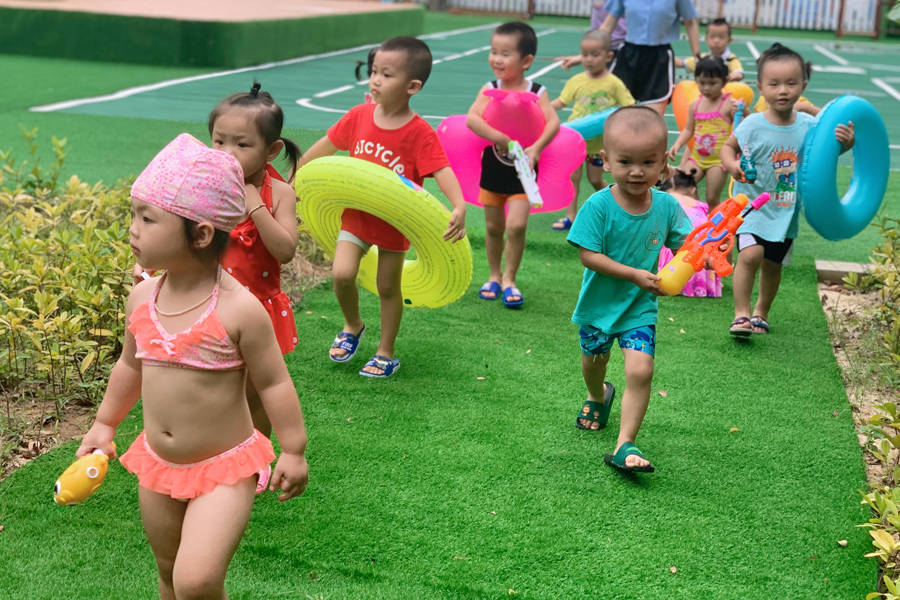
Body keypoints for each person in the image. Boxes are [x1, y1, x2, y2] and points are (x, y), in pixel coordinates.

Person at [76, 133, 309, 599]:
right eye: (133, 215)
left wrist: (293, 449)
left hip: (224, 468)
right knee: (167, 572)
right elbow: (128, 367)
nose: (133, 229)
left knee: (197, 580)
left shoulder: (238, 310)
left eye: (148, 218)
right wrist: (104, 424)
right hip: (157, 465)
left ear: (202, 234)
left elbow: (274, 383)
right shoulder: (143, 297)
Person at [299, 36, 466, 377]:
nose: (375, 80)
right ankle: (352, 325)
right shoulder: (358, 116)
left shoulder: (419, 133)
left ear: (412, 86)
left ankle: (385, 351)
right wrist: (295, 179)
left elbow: (441, 170)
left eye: (386, 75)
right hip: (357, 216)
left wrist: (459, 204)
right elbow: (324, 148)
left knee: (388, 287)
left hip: (395, 221)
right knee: (342, 273)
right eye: (374, 71)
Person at [567, 106, 691, 474]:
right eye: (625, 161)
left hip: (640, 308)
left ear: (664, 163)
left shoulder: (667, 206)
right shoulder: (599, 206)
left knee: (641, 370)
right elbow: (588, 256)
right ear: (605, 161)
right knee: (593, 362)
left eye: (648, 162)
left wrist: (705, 252)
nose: (637, 171)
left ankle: (625, 443)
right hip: (598, 306)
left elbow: (689, 246)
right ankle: (596, 394)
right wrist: (635, 274)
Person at [721, 43, 854, 336]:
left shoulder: (810, 125)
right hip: (751, 204)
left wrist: (846, 144)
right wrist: (731, 165)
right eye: (774, 84)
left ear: (803, 85)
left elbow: (824, 158)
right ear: (760, 87)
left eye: (791, 83)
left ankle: (761, 312)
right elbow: (728, 149)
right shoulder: (752, 125)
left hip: (785, 209)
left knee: (772, 264)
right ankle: (741, 313)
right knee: (750, 255)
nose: (783, 90)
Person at [207, 83, 301, 451]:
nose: (228, 153)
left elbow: (285, 250)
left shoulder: (280, 194)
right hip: (212, 305)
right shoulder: (207, 186)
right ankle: (217, 449)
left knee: (256, 389)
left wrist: (254, 205)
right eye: (219, 141)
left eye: (242, 145)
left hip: (258, 308)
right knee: (217, 387)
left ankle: (257, 454)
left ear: (272, 150)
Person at [466, 21, 560, 308]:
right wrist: (501, 138)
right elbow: (473, 118)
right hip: (493, 165)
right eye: (494, 51)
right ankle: (493, 275)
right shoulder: (489, 87)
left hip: (524, 167)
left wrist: (535, 149)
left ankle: (510, 278)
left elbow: (553, 122)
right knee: (494, 227)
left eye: (505, 53)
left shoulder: (537, 90)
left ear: (526, 61)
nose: (497, 58)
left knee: (516, 226)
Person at [550, 29, 635, 231]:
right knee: (572, 178)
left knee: (595, 179)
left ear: (608, 56)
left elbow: (629, 105)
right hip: (576, 141)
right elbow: (562, 102)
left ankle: (617, 207)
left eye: (595, 55)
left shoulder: (613, 83)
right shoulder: (577, 81)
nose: (589, 59)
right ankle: (571, 217)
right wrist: (541, 108)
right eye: (585, 54)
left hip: (600, 144)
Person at [666, 55, 746, 211]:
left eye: (712, 83)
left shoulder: (729, 104)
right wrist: (677, 144)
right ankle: (694, 220)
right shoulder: (695, 105)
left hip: (718, 162)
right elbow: (689, 129)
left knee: (712, 198)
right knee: (682, 189)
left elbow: (743, 127)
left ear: (724, 81)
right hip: (696, 158)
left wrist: (742, 112)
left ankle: (715, 230)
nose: (707, 88)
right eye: (702, 83)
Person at [598, 0, 700, 115]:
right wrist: (591, 53)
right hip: (628, 57)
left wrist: (697, 57)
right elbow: (607, 25)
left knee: (652, 118)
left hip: (659, 60)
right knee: (617, 114)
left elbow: (690, 22)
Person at [656, 167, 722, 297]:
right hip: (702, 260)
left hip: (674, 262)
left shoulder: (666, 201)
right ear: (693, 190)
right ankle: (705, 285)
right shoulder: (702, 206)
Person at [676, 18, 744, 82]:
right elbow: (681, 63)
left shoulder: (731, 59)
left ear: (729, 40)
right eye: (712, 37)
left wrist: (732, 76)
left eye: (721, 37)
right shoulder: (702, 58)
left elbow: (738, 73)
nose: (716, 40)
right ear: (706, 39)